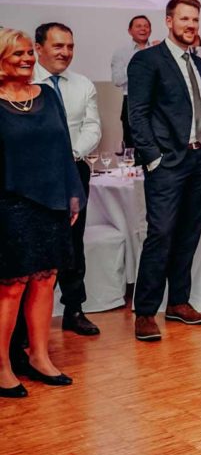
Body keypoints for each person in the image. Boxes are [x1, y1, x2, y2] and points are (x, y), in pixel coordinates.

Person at [0, 29, 84, 397]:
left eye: (28, 53)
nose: (26, 59)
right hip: (10, 205)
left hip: (51, 202)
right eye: (17, 53)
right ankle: (2, 365)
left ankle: (39, 356)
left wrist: (72, 195)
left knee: (46, 280)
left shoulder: (47, 95)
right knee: (12, 286)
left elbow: (64, 148)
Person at [127, 0, 201, 342]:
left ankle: (178, 302)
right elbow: (137, 114)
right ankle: (145, 312)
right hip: (167, 163)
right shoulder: (147, 60)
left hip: (200, 159)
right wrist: (153, 157)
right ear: (168, 21)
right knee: (161, 233)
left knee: (189, 233)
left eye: (195, 20)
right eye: (184, 19)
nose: (191, 26)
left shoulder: (199, 64)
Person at [30, 23, 100, 336]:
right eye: (58, 46)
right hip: (34, 175)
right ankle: (26, 321)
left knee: (73, 241)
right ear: (38, 48)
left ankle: (74, 308)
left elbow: (92, 127)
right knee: (35, 243)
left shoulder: (83, 84)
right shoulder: (25, 83)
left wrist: (69, 154)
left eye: (70, 46)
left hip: (73, 170)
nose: (66, 52)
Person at [111, 14, 153, 148]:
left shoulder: (157, 50)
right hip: (131, 102)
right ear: (130, 31)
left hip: (157, 101)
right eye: (138, 26)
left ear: (150, 30)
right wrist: (136, 65)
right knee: (133, 145)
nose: (143, 29)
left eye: (146, 26)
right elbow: (117, 80)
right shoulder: (121, 52)